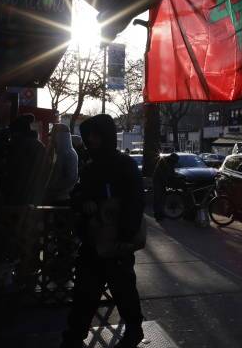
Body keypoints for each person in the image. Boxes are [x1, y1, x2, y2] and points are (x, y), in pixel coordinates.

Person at [61, 114, 144, 348]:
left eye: (96, 135)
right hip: (93, 240)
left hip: (116, 241)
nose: (91, 140)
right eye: (89, 136)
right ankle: (74, 336)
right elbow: (76, 194)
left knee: (123, 290)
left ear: (106, 136)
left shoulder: (124, 165)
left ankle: (133, 331)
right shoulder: (90, 167)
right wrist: (83, 202)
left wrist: (125, 235)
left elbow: (135, 201)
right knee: (85, 293)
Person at [4, 114, 46, 205]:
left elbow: (16, 169)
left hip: (22, 193)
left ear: (18, 132)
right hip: (35, 192)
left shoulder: (21, 145)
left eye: (13, 133)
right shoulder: (38, 145)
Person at [45, 124, 79, 205]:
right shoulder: (61, 152)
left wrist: (52, 187)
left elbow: (70, 178)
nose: (51, 138)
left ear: (58, 135)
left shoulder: (66, 153)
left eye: (53, 134)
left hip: (60, 199)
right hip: (57, 197)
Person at [152, 152, 179, 222]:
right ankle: (157, 214)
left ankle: (161, 213)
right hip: (157, 181)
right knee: (158, 197)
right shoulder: (163, 161)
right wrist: (167, 181)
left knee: (163, 197)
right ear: (172, 159)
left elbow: (171, 172)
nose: (175, 163)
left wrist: (175, 176)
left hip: (162, 181)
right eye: (174, 161)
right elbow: (161, 174)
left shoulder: (171, 162)